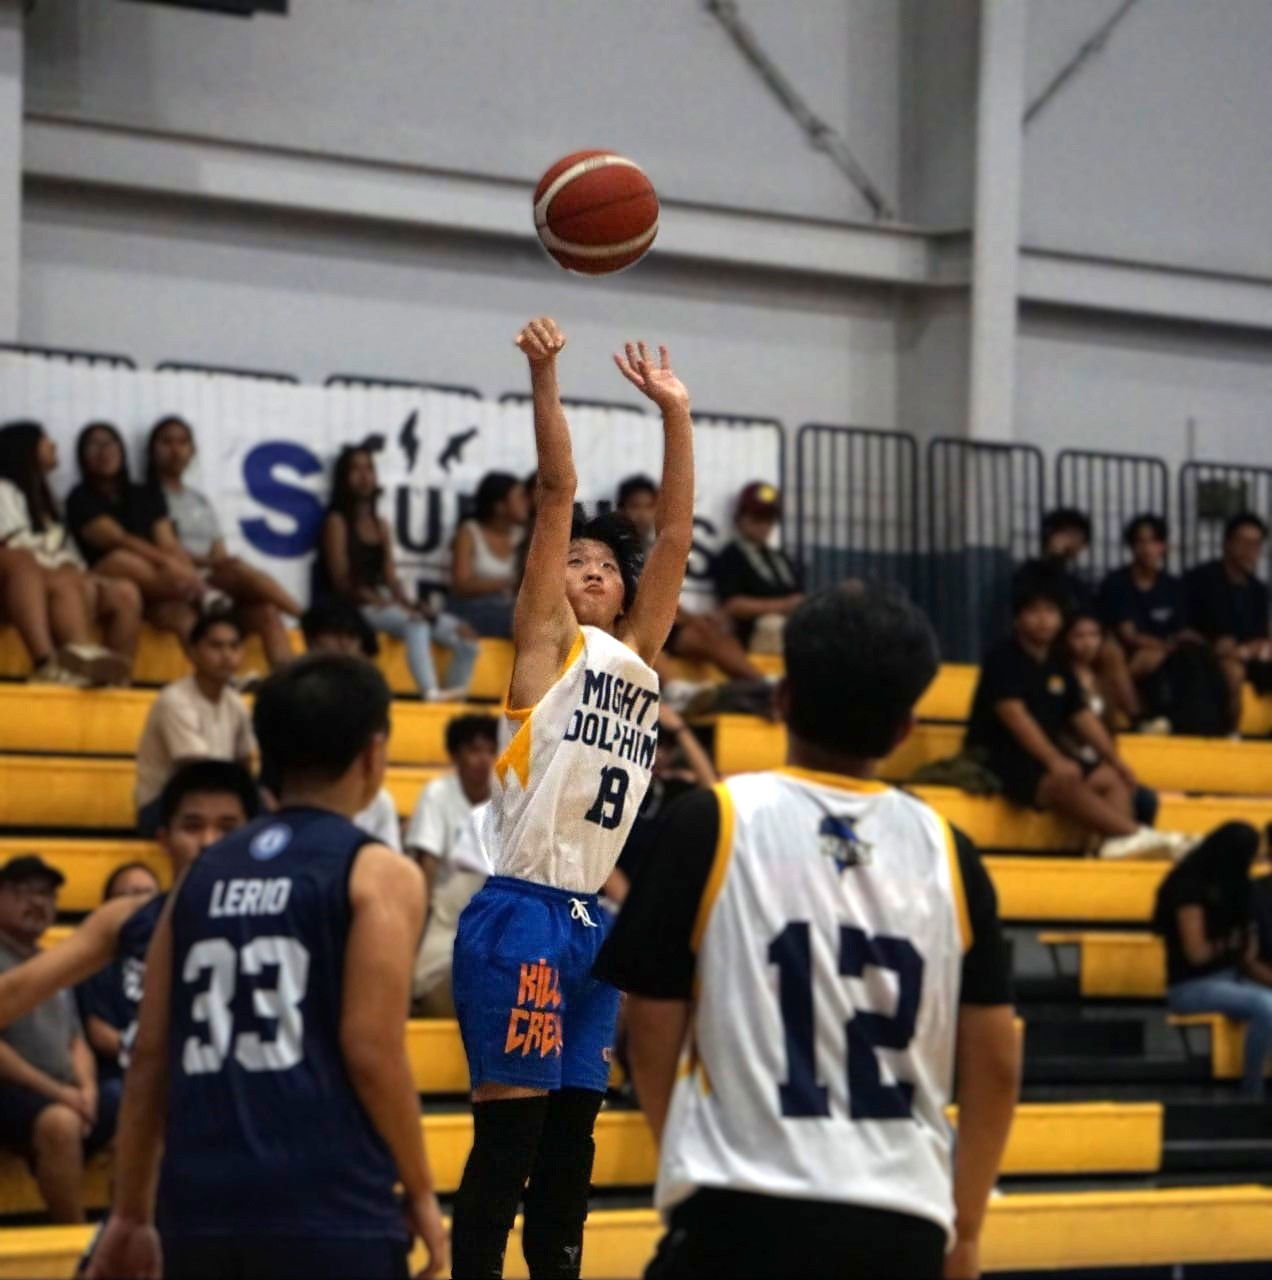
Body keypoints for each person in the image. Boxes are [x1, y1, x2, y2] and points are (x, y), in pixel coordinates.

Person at [594, 584, 1018, 1280]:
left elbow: (650, 1024)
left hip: (742, 1206)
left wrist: (682, 1149)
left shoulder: (713, 821)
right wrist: (964, 1231)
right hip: (902, 1222)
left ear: (783, 698)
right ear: (907, 727)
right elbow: (996, 1064)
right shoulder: (951, 852)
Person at [448, 318, 693, 1280]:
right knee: (509, 1150)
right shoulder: (546, 643)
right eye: (574, 562)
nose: (589, 568)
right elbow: (558, 492)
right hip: (519, 910)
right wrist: (547, 379)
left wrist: (675, 415)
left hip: (597, 919)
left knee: (572, 1156)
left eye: (603, 564)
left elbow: (674, 531)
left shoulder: (641, 655)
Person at [87, 654, 447, 1280]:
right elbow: (371, 1049)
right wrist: (419, 1190)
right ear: (374, 753)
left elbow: (149, 1053)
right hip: (330, 1209)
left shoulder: (200, 873)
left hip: (198, 1209)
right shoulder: (380, 871)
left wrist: (129, 1212)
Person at [965, 582, 1179, 860]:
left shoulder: (1058, 664)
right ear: (1018, 619)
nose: (1044, 620)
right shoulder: (1003, 658)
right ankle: (1135, 835)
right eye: (1034, 612)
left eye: (1051, 612)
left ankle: (1117, 848)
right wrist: (1054, 759)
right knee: (1061, 780)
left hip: (1042, 757)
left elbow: (1081, 716)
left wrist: (1116, 761)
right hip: (999, 756)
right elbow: (1015, 717)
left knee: (1112, 778)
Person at [317, 444, 479, 701]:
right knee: (415, 624)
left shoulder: (381, 524)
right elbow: (341, 580)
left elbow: (391, 576)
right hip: (357, 606)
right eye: (355, 469)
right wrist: (381, 601)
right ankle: (430, 691)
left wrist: (412, 604)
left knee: (465, 636)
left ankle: (454, 699)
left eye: (368, 468)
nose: (364, 476)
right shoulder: (337, 521)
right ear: (343, 477)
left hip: (386, 603)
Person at [146, 415, 303, 669]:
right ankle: (306, 619)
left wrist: (217, 564)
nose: (175, 450)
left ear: (192, 450)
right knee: (230, 574)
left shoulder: (200, 501)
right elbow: (167, 551)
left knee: (267, 612)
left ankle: (291, 681)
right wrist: (211, 562)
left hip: (213, 589)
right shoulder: (145, 496)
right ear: (152, 450)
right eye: (167, 442)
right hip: (175, 586)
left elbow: (219, 552)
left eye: (182, 442)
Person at [0, 420, 142, 686]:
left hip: (52, 575)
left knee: (125, 593)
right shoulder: (3, 489)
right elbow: (12, 547)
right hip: (20, 581)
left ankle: (116, 679)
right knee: (60, 579)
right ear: (25, 449)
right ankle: (58, 664)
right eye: (45, 439)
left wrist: (78, 572)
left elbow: (68, 554)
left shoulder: (49, 500)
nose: (53, 445)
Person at [0, 855, 101, 1224]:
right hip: (11, 1089)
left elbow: (76, 1039)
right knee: (59, 1123)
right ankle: (75, 1244)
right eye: (25, 891)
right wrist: (61, 1095)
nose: (38, 903)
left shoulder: (55, 962)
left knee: (140, 1105)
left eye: (47, 894)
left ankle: (134, 1230)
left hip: (63, 1091)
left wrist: (87, 1091)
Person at [1154, 822, 1272, 1098]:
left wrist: (1243, 943)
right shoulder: (1188, 888)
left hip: (1231, 978)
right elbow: (1197, 954)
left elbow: (1247, 953)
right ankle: (1252, 1090)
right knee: (1265, 1004)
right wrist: (1227, 944)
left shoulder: (1236, 888)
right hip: (1191, 986)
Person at [65, 421, 207, 644]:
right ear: (83, 457)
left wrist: (179, 564)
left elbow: (167, 541)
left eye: (110, 444)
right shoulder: (80, 497)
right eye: (94, 446)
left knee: (181, 617)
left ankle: (215, 676)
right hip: (104, 575)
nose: (104, 452)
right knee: (123, 561)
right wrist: (168, 564)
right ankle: (198, 591)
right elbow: (116, 540)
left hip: (153, 588)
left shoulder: (145, 493)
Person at [617, 474, 766, 683]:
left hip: (662, 624)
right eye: (635, 506)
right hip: (636, 626)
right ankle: (683, 693)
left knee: (716, 635)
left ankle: (761, 685)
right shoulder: (615, 550)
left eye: (648, 507)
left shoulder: (651, 549)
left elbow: (666, 601)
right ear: (622, 510)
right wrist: (693, 621)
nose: (642, 514)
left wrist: (696, 620)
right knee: (698, 634)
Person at [406, 713, 498, 1015]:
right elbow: (426, 868)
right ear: (456, 756)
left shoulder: (507, 800)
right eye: (474, 750)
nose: (483, 759)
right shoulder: (437, 795)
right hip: (444, 917)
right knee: (428, 985)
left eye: (490, 750)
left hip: (493, 918)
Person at [133, 612, 257, 836]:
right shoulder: (174, 699)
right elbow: (195, 772)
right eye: (216, 646)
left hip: (216, 798)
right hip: (164, 805)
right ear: (193, 652)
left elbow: (245, 762)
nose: (226, 655)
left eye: (234, 646)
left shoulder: (235, 701)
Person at [300, 598, 401, 850]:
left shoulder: (371, 696)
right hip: (303, 790)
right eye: (334, 634)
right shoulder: (292, 692)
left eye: (351, 636)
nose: (344, 644)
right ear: (312, 640)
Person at [75, 863, 162, 1145]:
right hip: (119, 1070)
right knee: (119, 1095)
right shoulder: (96, 960)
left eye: (150, 895)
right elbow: (98, 1031)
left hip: (170, 1066)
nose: (142, 903)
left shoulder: (180, 954)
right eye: (132, 894)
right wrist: (143, 1054)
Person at [603, 702, 718, 906]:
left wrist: (681, 730)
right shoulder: (609, 787)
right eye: (653, 743)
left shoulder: (670, 789)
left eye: (666, 746)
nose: (659, 754)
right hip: (611, 905)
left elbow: (713, 792)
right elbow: (605, 865)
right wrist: (634, 912)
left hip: (653, 904)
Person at [1184, 513, 1272, 733]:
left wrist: (1252, 647)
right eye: (1244, 542)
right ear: (1227, 544)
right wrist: (1215, 645)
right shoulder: (1200, 579)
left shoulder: (1258, 590)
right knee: (1233, 672)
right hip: (1208, 654)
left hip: (1248, 655)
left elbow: (1260, 634)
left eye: (1256, 544)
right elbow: (1184, 627)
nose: (1250, 551)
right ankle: (1229, 734)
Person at [712, 482, 805, 654]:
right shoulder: (731, 556)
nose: (764, 525)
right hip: (753, 635)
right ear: (740, 517)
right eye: (757, 517)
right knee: (774, 625)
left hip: (789, 626)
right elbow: (732, 605)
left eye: (769, 519)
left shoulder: (779, 557)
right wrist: (784, 605)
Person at [448, 471, 530, 639]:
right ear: (499, 506)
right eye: (520, 497)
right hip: (471, 609)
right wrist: (506, 584)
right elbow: (461, 586)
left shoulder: (522, 535)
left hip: (508, 607)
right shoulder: (469, 532)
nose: (526, 503)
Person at [1011, 508, 1095, 618]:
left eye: (1078, 536)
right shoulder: (1029, 572)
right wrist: (1055, 556)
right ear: (1050, 535)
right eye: (1066, 533)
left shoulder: (1077, 584)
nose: (1071, 541)